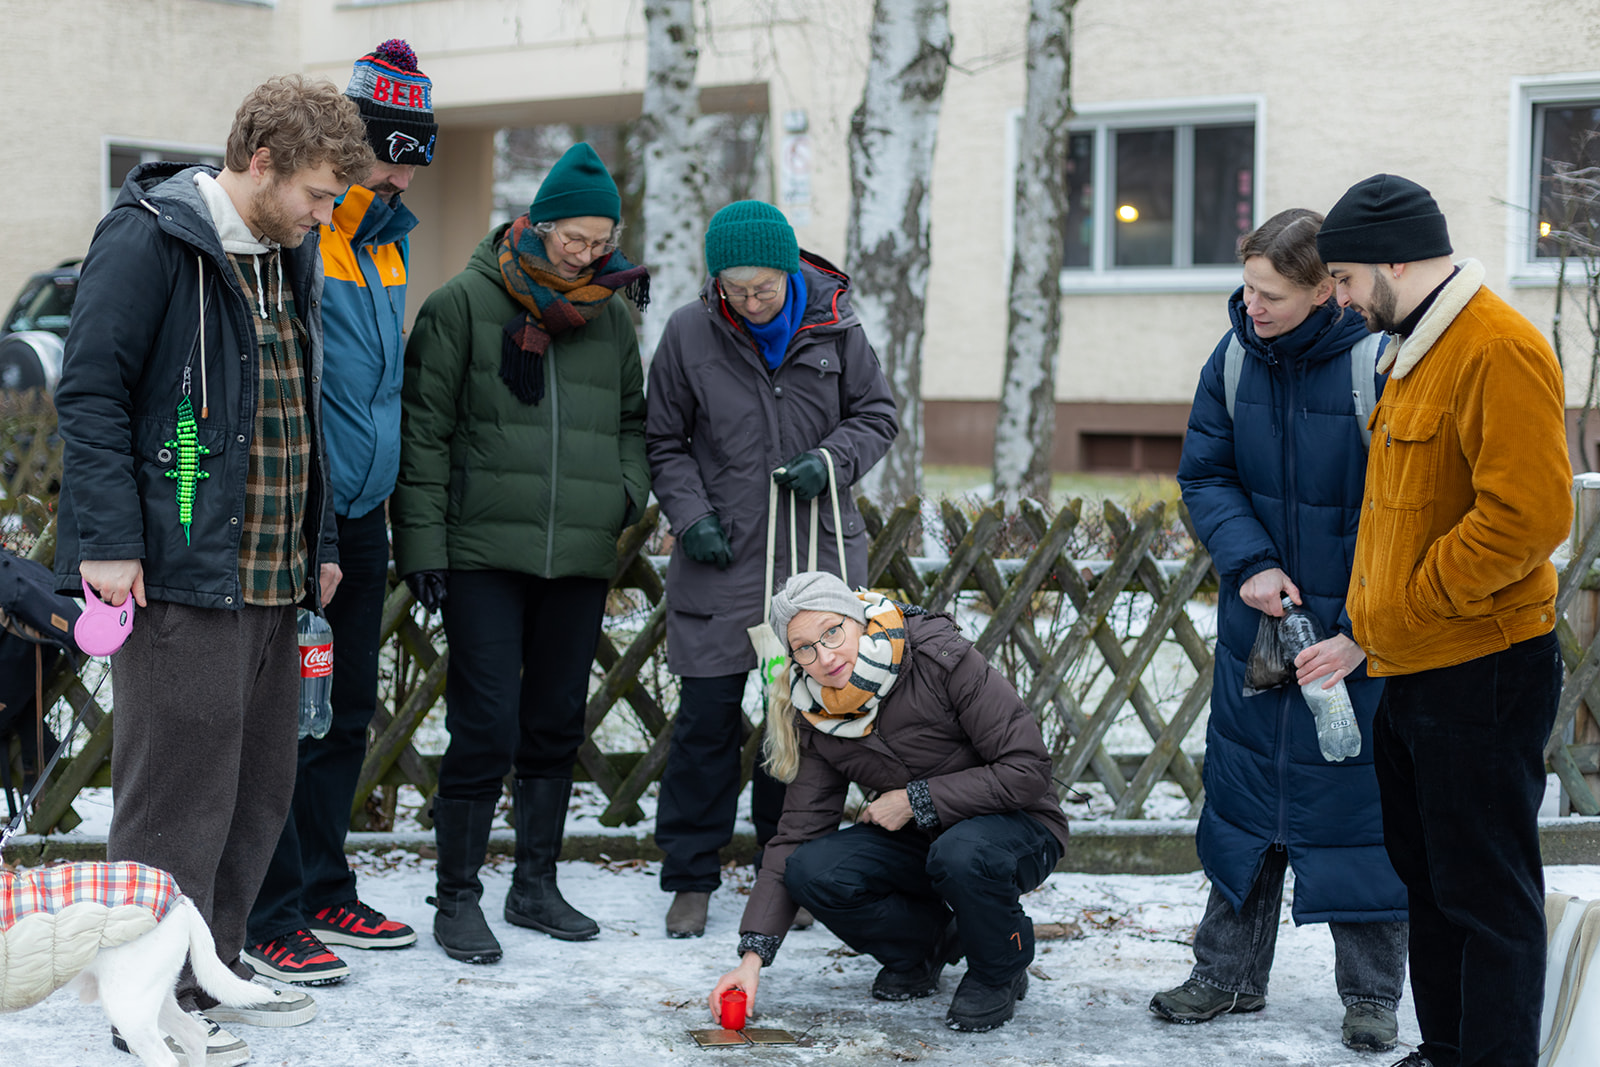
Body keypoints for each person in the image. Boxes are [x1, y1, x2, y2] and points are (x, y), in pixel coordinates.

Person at [52, 75, 374, 1062]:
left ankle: (203, 973)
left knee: (253, 795)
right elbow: (92, 390)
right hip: (181, 567)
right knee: (175, 803)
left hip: (276, 574)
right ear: (262, 160)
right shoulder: (150, 237)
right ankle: (139, 1004)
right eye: (320, 193)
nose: (329, 215)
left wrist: (318, 543)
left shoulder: (286, 250)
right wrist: (108, 539)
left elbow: (297, 408)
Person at [1316, 174, 1572, 1067]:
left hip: (1481, 666)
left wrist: (1410, 604)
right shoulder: (1411, 348)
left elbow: (1529, 516)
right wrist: (1377, 627)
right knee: (1429, 879)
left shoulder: (1495, 347)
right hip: (1409, 665)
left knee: (1486, 891)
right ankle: (1449, 1045)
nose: (1341, 301)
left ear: (1396, 257)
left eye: (1345, 279)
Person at [392, 141, 650, 964]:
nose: (587, 255)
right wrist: (424, 543)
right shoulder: (462, 304)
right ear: (536, 227)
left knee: (552, 724)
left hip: (575, 554)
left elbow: (634, 425)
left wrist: (621, 495)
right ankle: (457, 896)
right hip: (482, 556)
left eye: (601, 242)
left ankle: (535, 885)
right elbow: (423, 435)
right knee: (483, 728)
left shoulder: (609, 316)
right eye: (574, 239)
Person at [1162, 208, 1408, 1052]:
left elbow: (1408, 505)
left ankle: (1373, 994)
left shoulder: (1378, 365)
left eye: (1270, 293)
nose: (1251, 305)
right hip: (1258, 627)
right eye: (1247, 286)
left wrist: (1365, 621)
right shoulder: (1232, 360)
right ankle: (1224, 972)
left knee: (1359, 811)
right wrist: (1251, 560)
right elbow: (1205, 472)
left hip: (1357, 636)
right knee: (1243, 801)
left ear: (1322, 287)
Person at [646, 199, 898, 938]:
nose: (750, 302)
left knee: (802, 723)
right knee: (707, 722)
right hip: (723, 554)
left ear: (789, 273)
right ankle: (690, 875)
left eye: (763, 288)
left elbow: (877, 415)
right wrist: (690, 516)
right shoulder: (691, 332)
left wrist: (830, 461)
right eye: (735, 289)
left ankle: (787, 871)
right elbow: (664, 439)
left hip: (813, 558)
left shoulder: (838, 327)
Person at [244, 39, 437, 987]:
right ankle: (269, 908)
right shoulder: (303, 236)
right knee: (290, 715)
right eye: (390, 147)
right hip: (297, 516)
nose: (404, 169)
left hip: (365, 514)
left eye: (417, 151)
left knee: (345, 709)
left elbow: (379, 391)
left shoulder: (390, 244)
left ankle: (324, 882)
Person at [709, 571, 1069, 1034]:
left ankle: (1000, 964)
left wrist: (916, 800)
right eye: (805, 648)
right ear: (793, 657)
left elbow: (1027, 769)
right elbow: (798, 834)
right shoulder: (816, 714)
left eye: (832, 631)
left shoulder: (939, 657)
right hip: (927, 839)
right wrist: (751, 960)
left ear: (857, 618)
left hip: (1018, 823)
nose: (826, 656)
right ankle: (928, 946)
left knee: (961, 853)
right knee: (811, 869)